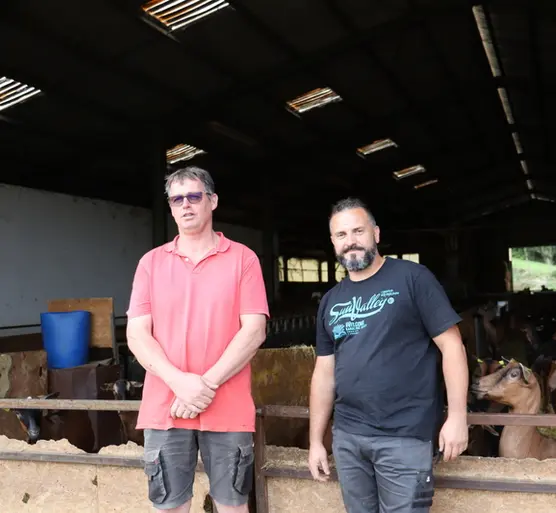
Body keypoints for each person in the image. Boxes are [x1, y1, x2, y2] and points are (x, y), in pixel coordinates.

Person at [307, 197, 470, 513]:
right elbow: (324, 373)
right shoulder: (330, 301)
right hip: (349, 437)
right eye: (341, 235)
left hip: (404, 436)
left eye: (358, 231)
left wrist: (458, 417)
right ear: (333, 242)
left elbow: (452, 346)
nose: (351, 241)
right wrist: (316, 441)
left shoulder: (413, 278)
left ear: (376, 234)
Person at [126, 166, 270, 512]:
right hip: (166, 408)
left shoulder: (243, 259)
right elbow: (136, 334)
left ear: (213, 201)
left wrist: (203, 386)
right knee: (170, 506)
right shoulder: (151, 263)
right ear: (171, 207)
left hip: (227, 405)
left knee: (232, 505)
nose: (186, 205)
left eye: (194, 196)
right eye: (177, 199)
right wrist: (179, 383)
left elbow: (254, 331)